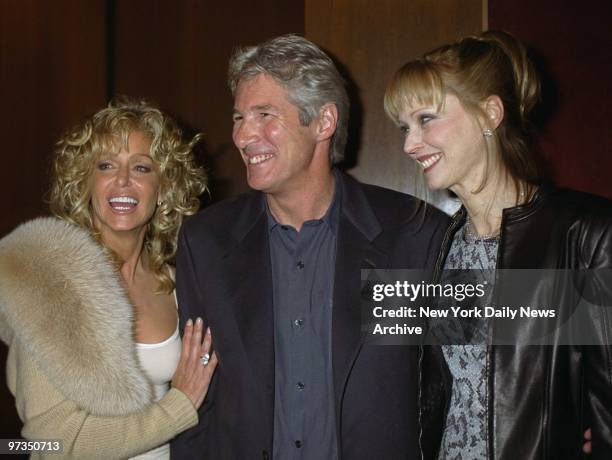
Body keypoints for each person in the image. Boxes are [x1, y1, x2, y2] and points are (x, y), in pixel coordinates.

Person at [171, 34, 448, 459]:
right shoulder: (206, 242)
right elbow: (197, 403)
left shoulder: (410, 234)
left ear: (323, 122)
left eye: (265, 114)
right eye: (239, 117)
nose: (244, 135)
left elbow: (484, 364)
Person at [384, 30, 612, 459]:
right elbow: (456, 391)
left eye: (426, 119)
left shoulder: (585, 234)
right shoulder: (442, 247)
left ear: (490, 113)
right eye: (404, 127)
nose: (409, 144)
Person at [0, 97, 218, 459]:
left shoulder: (179, 284)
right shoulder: (51, 282)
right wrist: (179, 407)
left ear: (163, 186)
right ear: (84, 182)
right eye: (106, 165)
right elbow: (53, 444)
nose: (122, 181)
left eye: (142, 168)